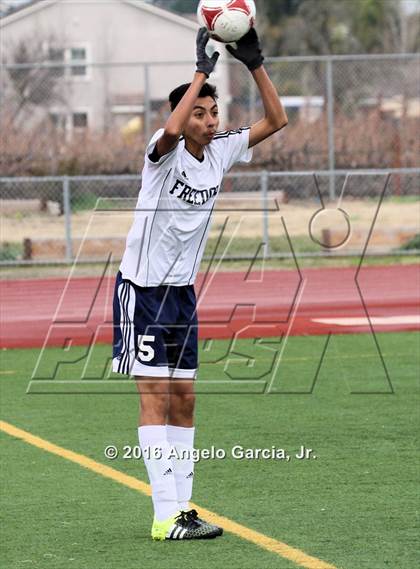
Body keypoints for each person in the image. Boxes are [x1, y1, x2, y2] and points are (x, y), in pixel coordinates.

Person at [112, 27, 288, 541]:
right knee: (155, 395)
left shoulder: (221, 151)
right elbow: (168, 131)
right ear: (183, 115)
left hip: (182, 294)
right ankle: (164, 515)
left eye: (213, 113)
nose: (210, 121)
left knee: (185, 397)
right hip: (141, 290)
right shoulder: (160, 153)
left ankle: (182, 509)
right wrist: (200, 73)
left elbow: (277, 120)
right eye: (200, 113)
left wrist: (254, 63)